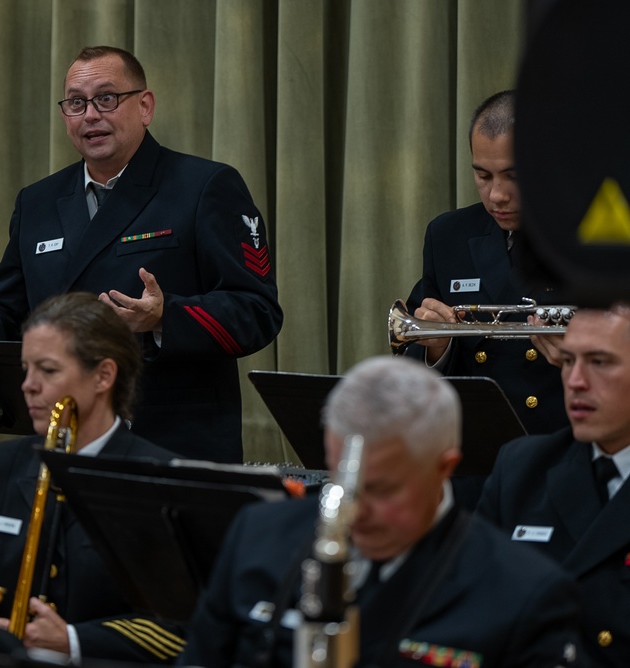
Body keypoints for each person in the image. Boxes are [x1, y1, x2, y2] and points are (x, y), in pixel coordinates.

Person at [0, 46, 283, 463]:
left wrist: (163, 317)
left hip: (172, 439)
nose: (90, 115)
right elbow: (17, 314)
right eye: (76, 103)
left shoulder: (204, 186)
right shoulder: (39, 201)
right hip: (65, 437)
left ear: (145, 106)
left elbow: (257, 310)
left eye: (106, 98)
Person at [181, 356, 583, 667]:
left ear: (445, 468)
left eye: (382, 489)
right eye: (342, 481)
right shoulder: (256, 535)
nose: (353, 512)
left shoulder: (522, 592)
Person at [0, 292, 185, 664]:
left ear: (103, 375)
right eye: (26, 369)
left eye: (47, 370)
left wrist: (75, 640)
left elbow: (184, 628)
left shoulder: (160, 479)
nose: (28, 385)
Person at [404, 90, 566, 435]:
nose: (497, 195)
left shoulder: (595, 238)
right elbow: (414, 369)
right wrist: (437, 349)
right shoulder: (448, 235)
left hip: (562, 448)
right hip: (477, 451)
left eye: (515, 176)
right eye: (483, 176)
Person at [478, 305, 630, 668]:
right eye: (567, 361)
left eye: (599, 362)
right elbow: (476, 613)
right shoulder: (521, 469)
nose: (576, 381)